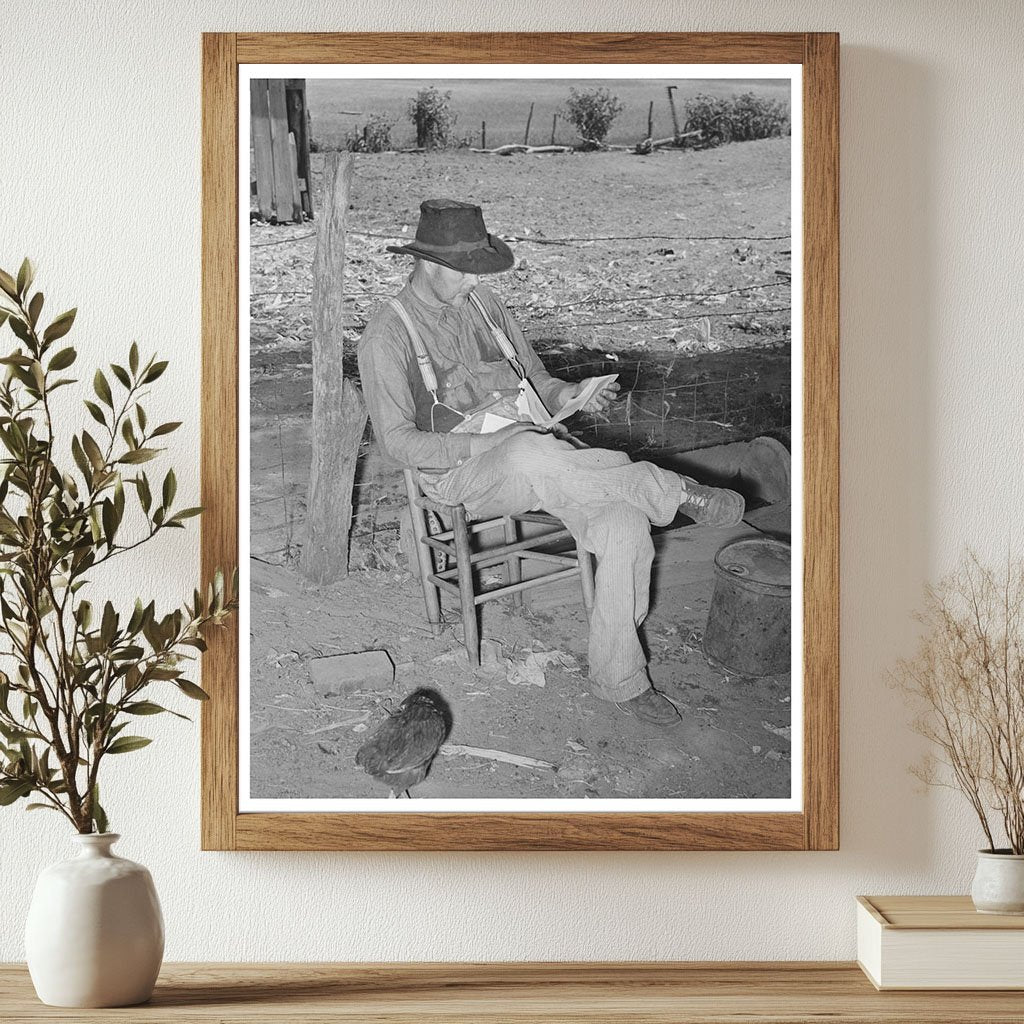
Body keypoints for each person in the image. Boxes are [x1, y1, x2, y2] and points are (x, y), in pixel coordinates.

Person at [358, 199, 744, 727]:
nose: (476, 285)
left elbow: (536, 382)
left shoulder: (487, 307)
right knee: (529, 449)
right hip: (461, 472)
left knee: (624, 523)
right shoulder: (387, 335)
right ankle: (675, 492)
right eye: (466, 274)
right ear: (428, 263)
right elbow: (398, 444)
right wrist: (490, 444)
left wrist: (570, 393)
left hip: (543, 459)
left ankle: (621, 679)